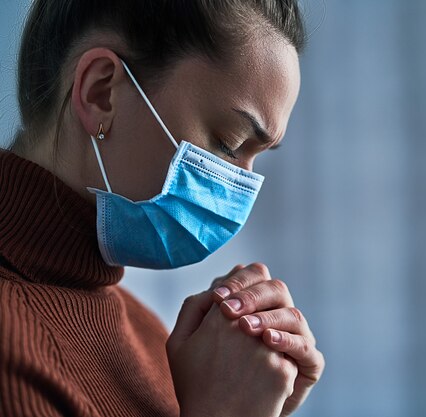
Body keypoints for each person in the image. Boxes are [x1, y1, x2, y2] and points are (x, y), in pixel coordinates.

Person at [0, 1, 325, 416]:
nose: (239, 191)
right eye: (228, 142)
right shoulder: (14, 349)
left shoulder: (151, 337)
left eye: (257, 157)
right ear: (101, 93)